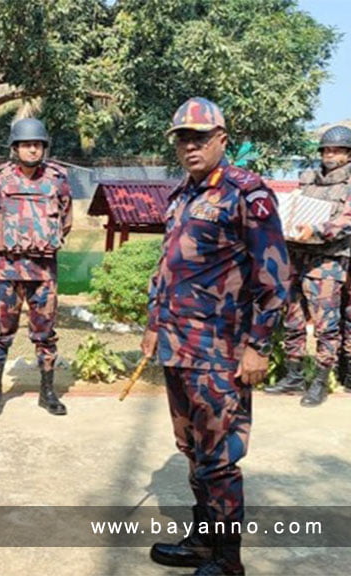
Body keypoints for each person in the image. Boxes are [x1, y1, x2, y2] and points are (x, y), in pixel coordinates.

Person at [143, 97, 289, 576]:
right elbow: (166, 270)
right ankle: (203, 543)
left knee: (221, 459)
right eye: (183, 138)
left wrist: (257, 346)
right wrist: (152, 325)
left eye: (200, 138)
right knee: (193, 450)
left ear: (222, 140)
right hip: (178, 347)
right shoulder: (181, 196)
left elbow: (275, 278)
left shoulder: (247, 195)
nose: (190, 146)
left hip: (221, 352)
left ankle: (228, 560)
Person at [0, 117, 72, 417]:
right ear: (15, 147)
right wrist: (9, 242)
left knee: (45, 333)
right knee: (0, 332)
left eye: (38, 144)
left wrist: (42, 242)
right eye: (27, 144)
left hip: (43, 272)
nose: (33, 149)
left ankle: (47, 392)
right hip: (7, 271)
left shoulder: (57, 178)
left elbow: (66, 220)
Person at [281, 125, 351, 399]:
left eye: (338, 150)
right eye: (327, 150)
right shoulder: (308, 179)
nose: (330, 154)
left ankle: (320, 382)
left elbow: (346, 221)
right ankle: (293, 376)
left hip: (329, 260)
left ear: (348, 155)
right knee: (293, 318)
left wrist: (318, 230)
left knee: (326, 323)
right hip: (296, 255)